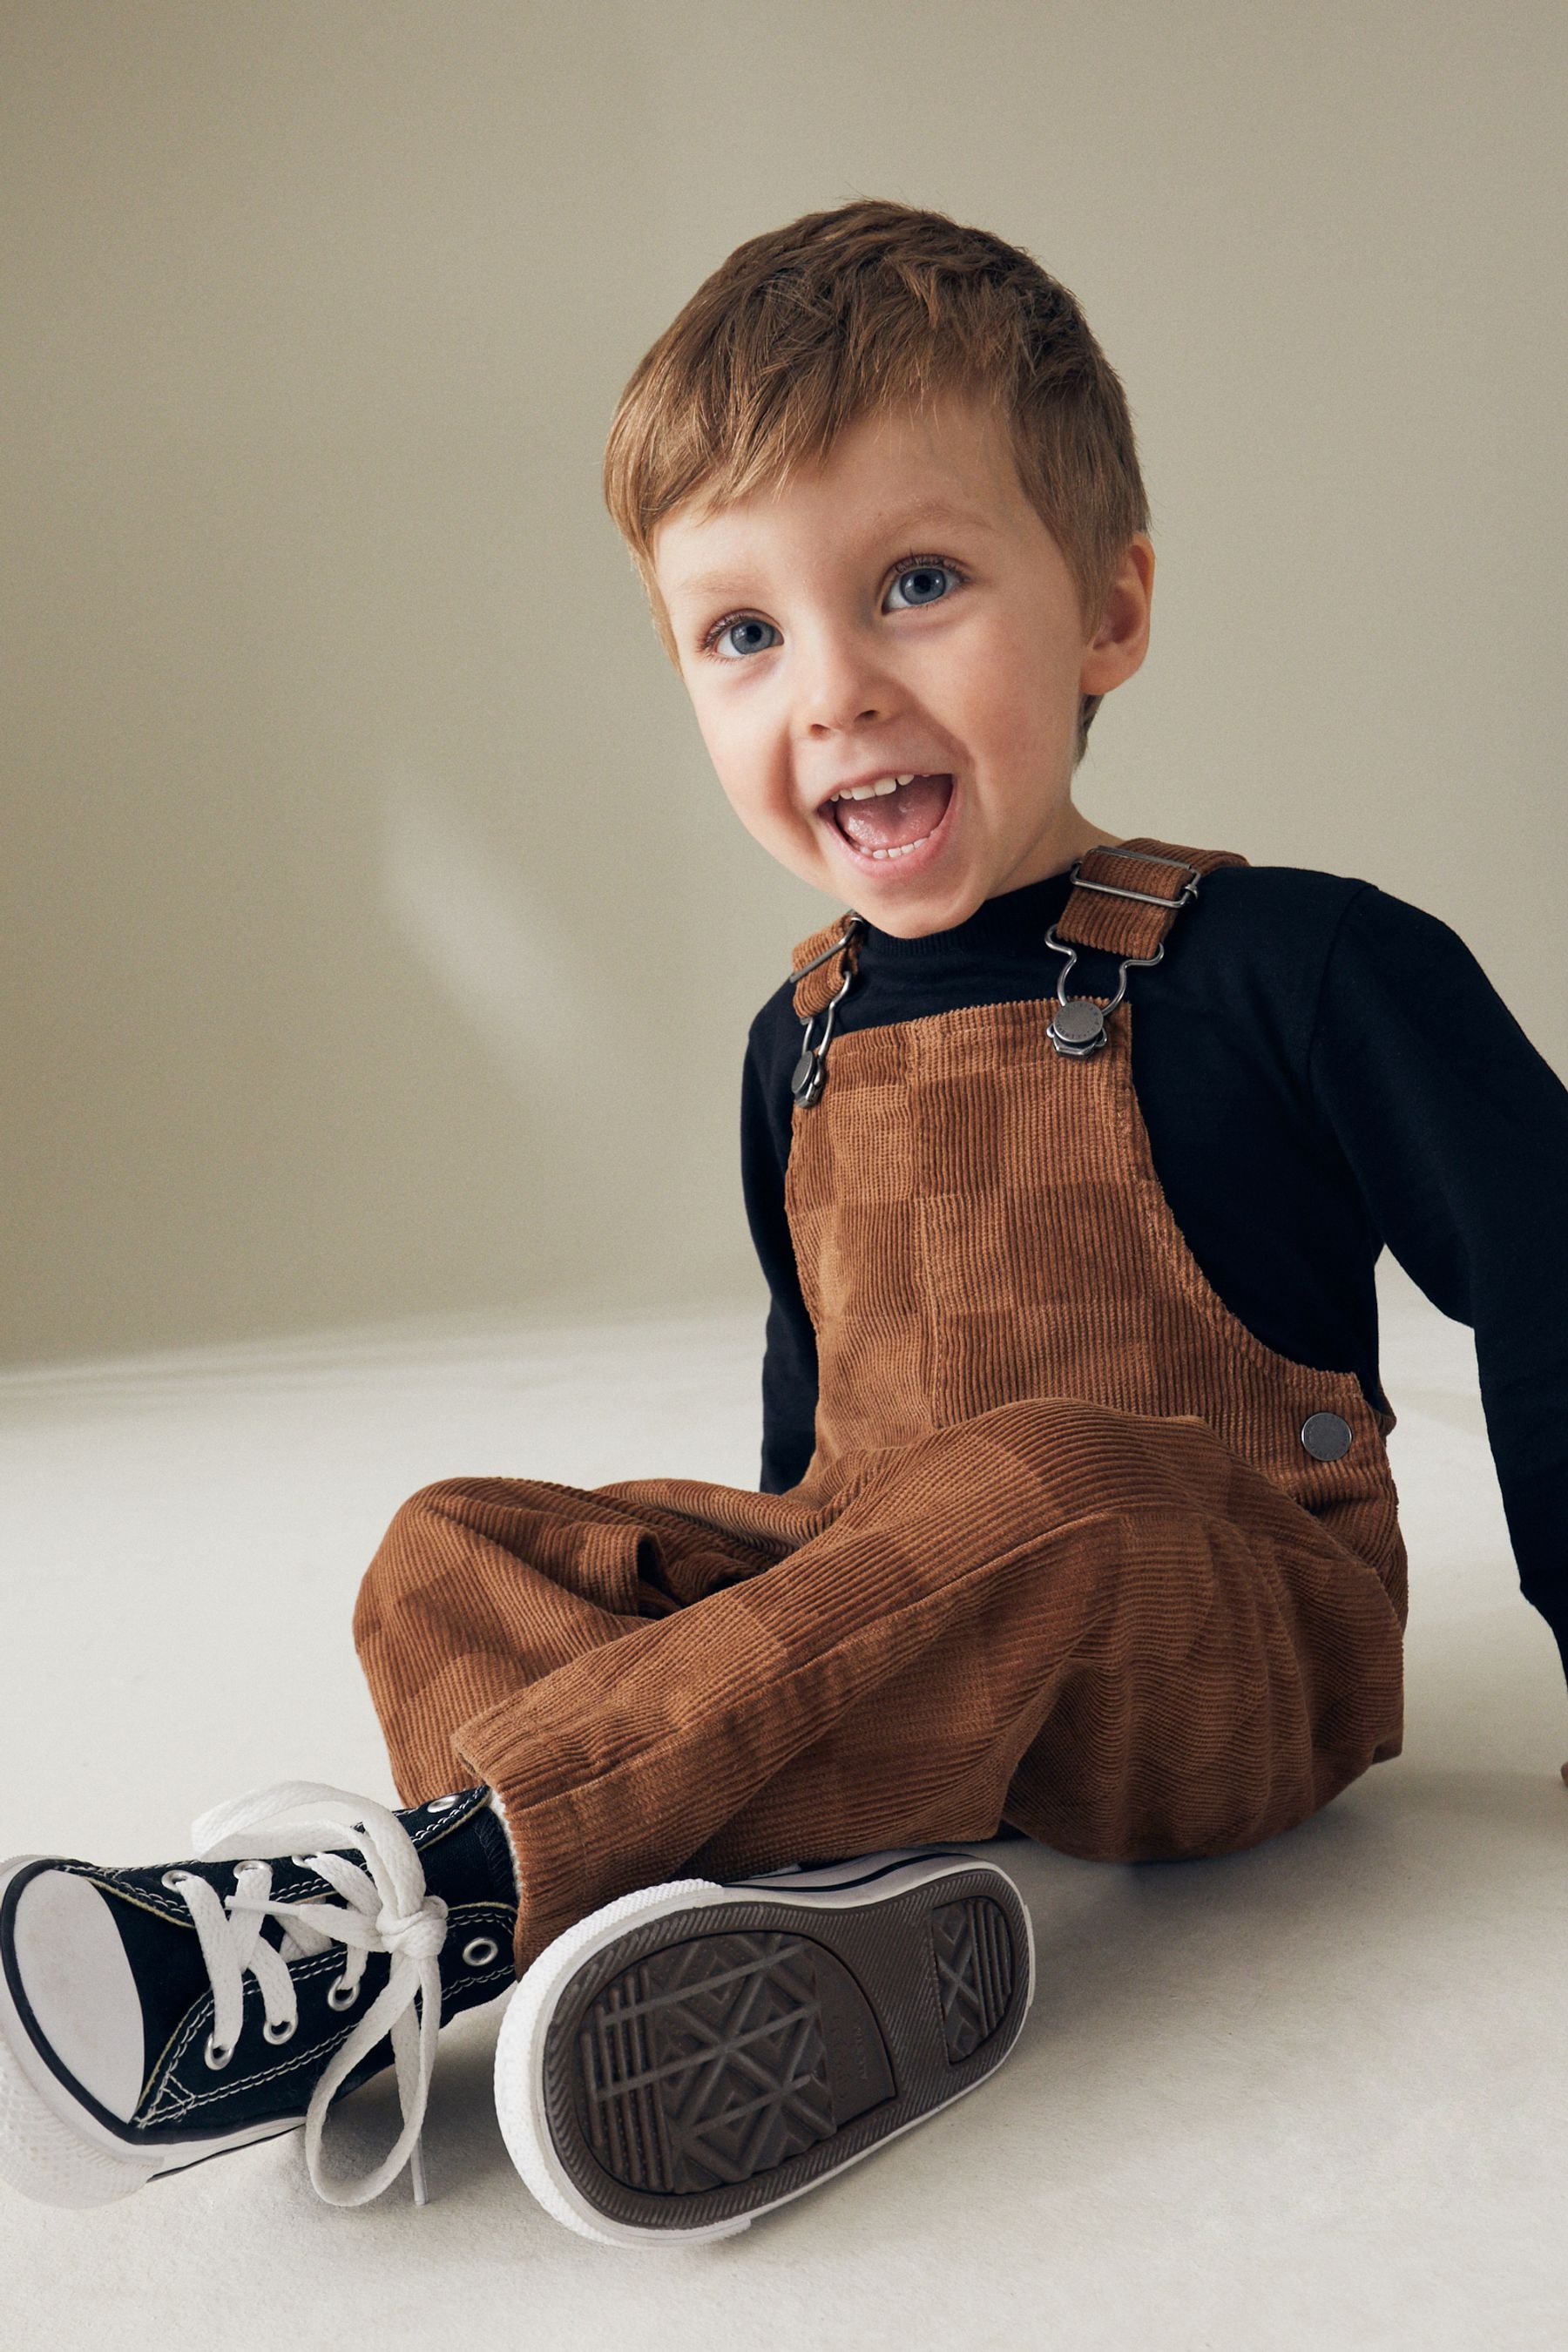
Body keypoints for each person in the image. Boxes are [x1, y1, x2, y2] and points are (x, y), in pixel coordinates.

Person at [4, 198, 1566, 2246]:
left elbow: (1548, 1279)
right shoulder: (800, 1033)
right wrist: (751, 1630)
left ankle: (439, 1904)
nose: (829, 689)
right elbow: (808, 1393)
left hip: (1223, 1637)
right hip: (912, 1611)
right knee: (447, 1549)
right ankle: (770, 1917)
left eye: (914, 584)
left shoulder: (1303, 964)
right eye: (743, 633)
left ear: (1109, 611)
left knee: (1054, 1485)